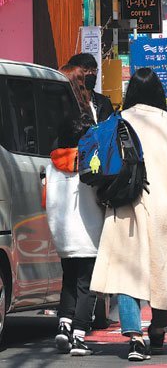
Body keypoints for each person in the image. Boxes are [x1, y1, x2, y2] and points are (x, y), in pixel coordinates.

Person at [90, 68, 167, 361]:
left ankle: (135, 336)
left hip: (124, 205)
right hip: (164, 205)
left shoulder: (118, 121)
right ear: (158, 92)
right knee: (162, 268)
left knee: (127, 272)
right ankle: (158, 327)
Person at [46, 114, 104, 356]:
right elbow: (102, 198)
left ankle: (64, 325)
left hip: (62, 235)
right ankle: (80, 335)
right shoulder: (90, 162)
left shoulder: (50, 166)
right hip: (88, 235)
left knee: (68, 282)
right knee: (87, 286)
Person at [68, 53, 114, 122]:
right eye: (85, 70)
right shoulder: (68, 100)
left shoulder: (104, 102)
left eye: (93, 70)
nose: (90, 74)